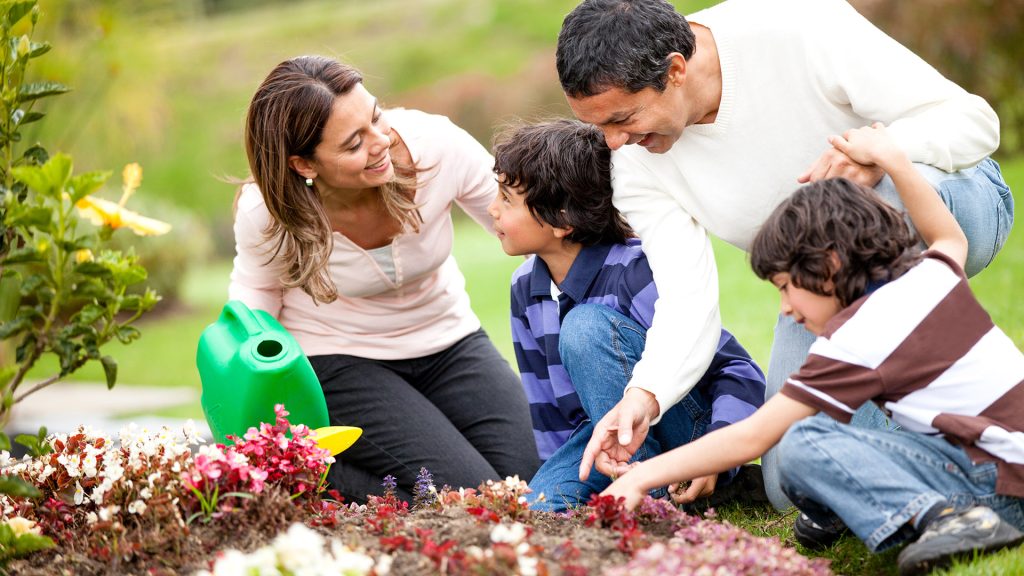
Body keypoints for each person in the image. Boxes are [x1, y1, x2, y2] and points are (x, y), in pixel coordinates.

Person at [556, 0, 1014, 512]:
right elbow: (686, 297)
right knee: (792, 490)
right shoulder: (635, 163)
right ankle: (931, 456)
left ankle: (957, 452)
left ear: (675, 70)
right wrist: (647, 394)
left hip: (950, 202)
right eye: (599, 128)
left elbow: (974, 121)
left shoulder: (797, 25)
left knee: (873, 202)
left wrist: (882, 153)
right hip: (818, 285)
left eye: (623, 118)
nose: (615, 143)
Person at [598, 123, 1024, 575]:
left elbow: (754, 436)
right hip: (1002, 463)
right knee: (831, 443)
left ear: (830, 265)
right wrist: (894, 159)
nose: (785, 308)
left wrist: (644, 476)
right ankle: (847, 510)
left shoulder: (860, 336)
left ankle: (951, 520)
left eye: (786, 286)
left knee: (802, 443)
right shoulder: (929, 274)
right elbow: (949, 237)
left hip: (995, 487)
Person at [230, 55, 539, 503]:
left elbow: (523, 224)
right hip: (339, 358)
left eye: (376, 117)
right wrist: (261, 393)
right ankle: (308, 471)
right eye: (354, 143)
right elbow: (255, 296)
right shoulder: (266, 211)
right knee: (469, 497)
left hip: (449, 341)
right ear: (304, 165)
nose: (380, 142)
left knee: (530, 483)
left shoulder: (436, 146)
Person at [487, 119, 765, 512]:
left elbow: (738, 370)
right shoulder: (524, 288)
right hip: (601, 444)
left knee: (584, 328)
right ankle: (639, 496)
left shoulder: (634, 272)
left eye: (507, 199)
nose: (491, 209)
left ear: (562, 220)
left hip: (687, 438)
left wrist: (717, 453)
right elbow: (549, 410)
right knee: (537, 510)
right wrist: (557, 473)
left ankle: (655, 503)